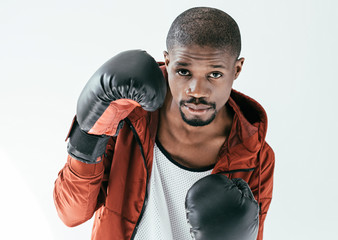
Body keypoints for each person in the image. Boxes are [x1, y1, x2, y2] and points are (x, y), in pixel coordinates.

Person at [54, 7, 275, 240]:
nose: (197, 91)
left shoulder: (255, 157)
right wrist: (88, 136)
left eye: (215, 74)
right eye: (183, 71)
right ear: (168, 62)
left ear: (237, 69)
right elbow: (71, 213)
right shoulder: (127, 116)